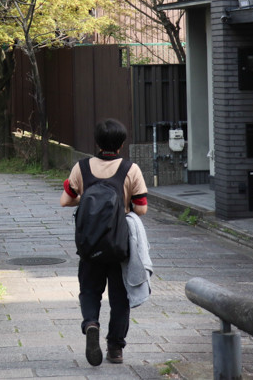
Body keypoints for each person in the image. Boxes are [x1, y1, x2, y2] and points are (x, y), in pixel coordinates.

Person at [60, 118, 148, 366]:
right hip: (120, 245)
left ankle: (90, 323)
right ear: (121, 143)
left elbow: (65, 201)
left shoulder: (82, 167)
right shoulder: (130, 169)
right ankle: (116, 349)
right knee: (120, 298)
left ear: (96, 142)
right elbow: (141, 209)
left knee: (89, 290)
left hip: (90, 243)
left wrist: (88, 199)